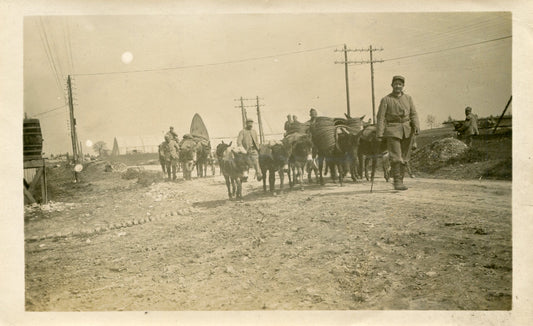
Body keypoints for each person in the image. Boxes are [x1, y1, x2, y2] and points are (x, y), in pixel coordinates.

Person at [376, 75, 420, 191]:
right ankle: (397, 181)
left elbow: (413, 114)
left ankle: (401, 179)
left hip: (407, 130)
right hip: (392, 129)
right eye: (395, 84)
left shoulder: (408, 98)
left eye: (400, 84)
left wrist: (416, 126)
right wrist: (380, 133)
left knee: (405, 157)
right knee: (396, 156)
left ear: (403, 86)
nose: (398, 86)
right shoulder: (386, 99)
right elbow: (380, 117)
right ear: (392, 85)